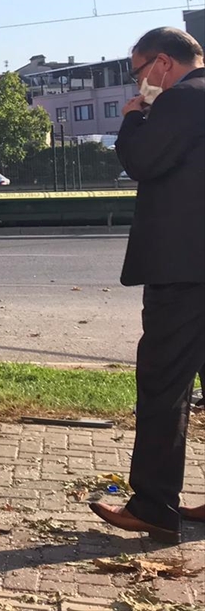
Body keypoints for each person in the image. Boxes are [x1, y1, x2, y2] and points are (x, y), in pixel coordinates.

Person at [89, 27, 205, 545]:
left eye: (139, 72)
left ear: (162, 63)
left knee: (163, 386)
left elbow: (141, 161)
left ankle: (155, 506)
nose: (139, 82)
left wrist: (135, 116)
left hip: (184, 270)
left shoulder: (180, 100)